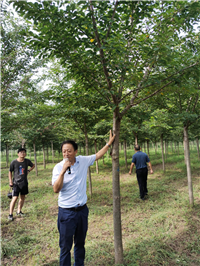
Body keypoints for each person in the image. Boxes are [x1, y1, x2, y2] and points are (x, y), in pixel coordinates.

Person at [52, 130, 115, 266]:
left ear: (75, 151)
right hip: (66, 213)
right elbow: (56, 189)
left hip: (82, 211)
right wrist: (63, 171)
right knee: (65, 247)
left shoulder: (83, 161)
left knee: (80, 243)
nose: (66, 154)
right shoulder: (58, 167)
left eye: (69, 151)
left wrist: (108, 144)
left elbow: (98, 155)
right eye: (64, 151)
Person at [8, 148, 35, 221]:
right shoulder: (14, 162)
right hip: (16, 183)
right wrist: (10, 181)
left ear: (25, 154)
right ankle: (10, 214)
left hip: (24, 182)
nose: (22, 153)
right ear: (18, 154)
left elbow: (33, 165)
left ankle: (19, 211)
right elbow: (10, 171)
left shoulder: (27, 161)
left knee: (22, 197)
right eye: (21, 152)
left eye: (24, 152)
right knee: (15, 198)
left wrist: (29, 170)